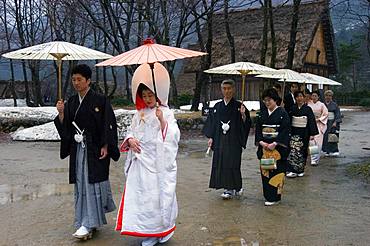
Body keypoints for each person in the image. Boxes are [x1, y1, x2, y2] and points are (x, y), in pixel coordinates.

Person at [54, 64, 119, 240]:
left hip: (95, 149)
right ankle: (86, 220)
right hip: (78, 150)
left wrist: (106, 145)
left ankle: (89, 222)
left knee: (93, 184)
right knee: (81, 184)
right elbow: (66, 127)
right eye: (74, 79)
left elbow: (108, 124)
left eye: (79, 79)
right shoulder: (71, 102)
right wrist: (61, 114)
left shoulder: (100, 100)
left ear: (88, 80)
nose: (76, 83)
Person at [116, 73, 180, 245]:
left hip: (157, 162)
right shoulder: (139, 114)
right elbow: (131, 130)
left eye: (150, 95)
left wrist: (162, 122)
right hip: (140, 161)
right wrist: (130, 140)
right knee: (142, 198)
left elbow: (173, 136)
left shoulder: (166, 112)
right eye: (144, 96)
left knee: (156, 198)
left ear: (157, 94)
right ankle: (148, 232)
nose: (147, 99)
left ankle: (159, 231)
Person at [203, 79, 251, 200]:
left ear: (233, 89)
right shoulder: (217, 106)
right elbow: (212, 123)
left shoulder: (239, 106)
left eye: (229, 88)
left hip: (234, 140)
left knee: (233, 163)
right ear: (221, 89)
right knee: (222, 163)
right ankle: (227, 188)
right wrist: (211, 137)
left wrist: (243, 115)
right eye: (224, 88)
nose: (227, 91)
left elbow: (246, 124)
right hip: (220, 139)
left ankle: (236, 186)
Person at [255, 88, 290, 206]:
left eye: (269, 100)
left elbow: (285, 130)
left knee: (277, 172)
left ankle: (275, 196)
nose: (267, 102)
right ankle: (268, 196)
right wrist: (262, 142)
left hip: (277, 148)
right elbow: (258, 130)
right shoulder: (262, 114)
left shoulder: (283, 114)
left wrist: (275, 143)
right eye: (265, 100)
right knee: (266, 172)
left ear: (275, 100)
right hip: (265, 147)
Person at [286, 90, 319, 178]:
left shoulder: (308, 109)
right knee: (292, 150)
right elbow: (288, 120)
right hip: (294, 131)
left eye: (301, 96)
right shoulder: (292, 108)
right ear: (295, 98)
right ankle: (291, 169)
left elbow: (311, 121)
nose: (299, 98)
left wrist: (312, 134)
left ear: (304, 98)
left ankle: (300, 169)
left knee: (302, 150)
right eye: (297, 96)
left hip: (304, 132)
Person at [307, 90, 328, 165]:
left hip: (319, 124)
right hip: (311, 124)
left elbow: (325, 114)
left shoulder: (322, 105)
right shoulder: (308, 104)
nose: (314, 97)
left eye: (315, 96)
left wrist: (319, 119)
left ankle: (316, 159)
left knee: (318, 143)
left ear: (318, 97)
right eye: (313, 96)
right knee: (312, 142)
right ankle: (313, 159)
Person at [322, 90, 342, 157]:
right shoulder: (322, 104)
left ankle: (334, 150)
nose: (328, 97)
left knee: (332, 136)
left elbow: (338, 114)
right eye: (327, 95)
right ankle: (326, 150)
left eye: (330, 96)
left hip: (332, 122)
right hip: (324, 122)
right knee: (325, 137)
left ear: (332, 97)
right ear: (324, 96)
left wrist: (335, 122)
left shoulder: (335, 105)